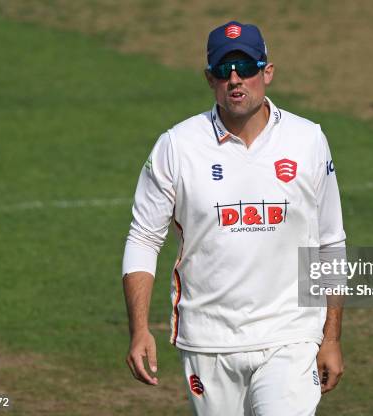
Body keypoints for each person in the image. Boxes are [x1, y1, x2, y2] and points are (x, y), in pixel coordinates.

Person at [122, 20, 347, 416]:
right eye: (224, 70)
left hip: (290, 336)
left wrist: (331, 336)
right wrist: (139, 329)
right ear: (210, 79)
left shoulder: (308, 139)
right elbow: (143, 239)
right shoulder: (177, 146)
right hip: (208, 341)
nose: (236, 79)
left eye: (246, 67)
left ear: (268, 72)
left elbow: (330, 242)